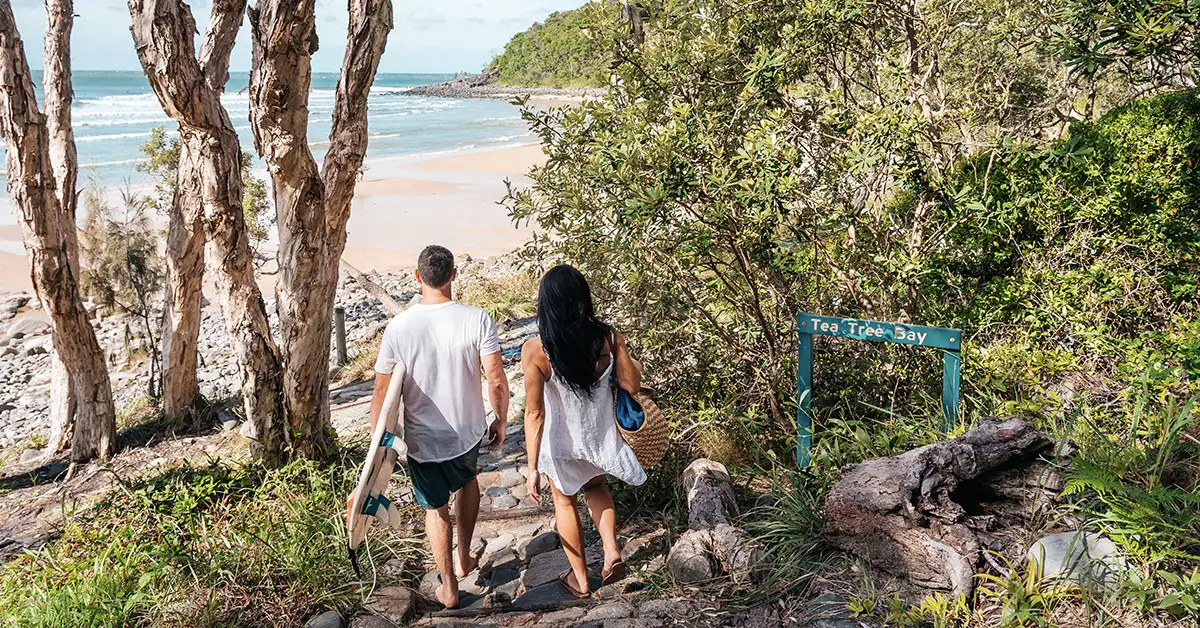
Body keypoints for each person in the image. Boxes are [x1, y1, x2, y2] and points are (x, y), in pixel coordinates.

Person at [368, 245, 510, 609]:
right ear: (453, 275)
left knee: (435, 508)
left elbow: (382, 392)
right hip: (466, 431)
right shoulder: (476, 318)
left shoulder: (398, 327)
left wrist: (378, 445)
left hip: (422, 439)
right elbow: (495, 378)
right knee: (467, 481)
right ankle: (463, 556)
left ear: (417, 277)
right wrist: (500, 418)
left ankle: (448, 587)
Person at [521, 264, 646, 598]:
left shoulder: (537, 349)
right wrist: (618, 349)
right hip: (599, 438)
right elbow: (632, 385)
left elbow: (534, 412)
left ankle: (580, 579)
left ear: (547, 303)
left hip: (561, 444)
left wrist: (532, 468)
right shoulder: (607, 337)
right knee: (597, 489)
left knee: (565, 502)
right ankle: (611, 551)